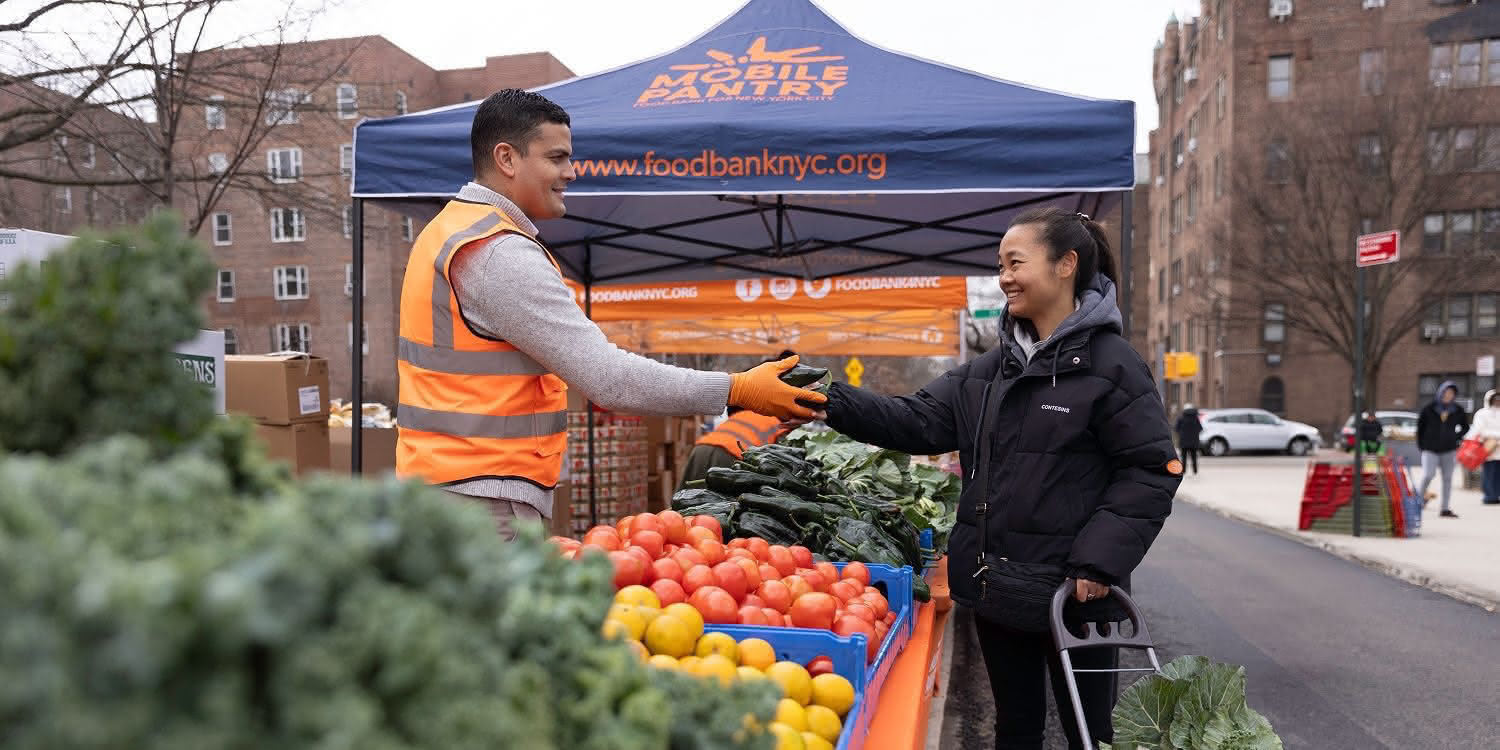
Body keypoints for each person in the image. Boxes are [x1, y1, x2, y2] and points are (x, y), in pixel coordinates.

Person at [800, 207, 1180, 749]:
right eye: (999, 265)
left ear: (1065, 265)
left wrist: (1099, 562)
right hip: (998, 589)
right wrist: (823, 398)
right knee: (1015, 730)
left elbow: (1149, 469)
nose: (1003, 277)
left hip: (1076, 596)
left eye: (1014, 263)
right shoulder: (989, 370)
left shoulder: (1112, 365)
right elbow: (914, 419)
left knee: (1092, 735)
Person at [395, 89, 826, 539]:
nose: (570, 172)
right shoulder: (497, 252)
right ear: (507, 158)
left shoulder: (452, 231)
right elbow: (609, 379)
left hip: (452, 492)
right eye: (556, 158)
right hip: (480, 503)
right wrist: (736, 388)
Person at [677, 350, 799, 490]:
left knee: (684, 506)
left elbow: (734, 403)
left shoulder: (749, 408)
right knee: (722, 507)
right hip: (732, 456)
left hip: (702, 448)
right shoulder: (781, 425)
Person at [1416, 381, 1469, 518]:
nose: (1448, 395)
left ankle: (1445, 508)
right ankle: (1417, 501)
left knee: (1447, 478)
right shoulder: (1429, 408)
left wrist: (1455, 437)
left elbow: (1465, 427)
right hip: (1430, 448)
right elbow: (1420, 428)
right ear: (1440, 392)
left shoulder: (1457, 410)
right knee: (1428, 474)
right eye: (1446, 392)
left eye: (1451, 393)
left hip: (1449, 449)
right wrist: (1421, 445)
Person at [1466, 389, 1500, 505]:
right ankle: (1489, 496)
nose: (1497, 401)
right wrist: (1495, 436)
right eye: (1495, 399)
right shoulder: (1482, 413)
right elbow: (1480, 430)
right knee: (1489, 473)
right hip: (1488, 448)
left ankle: (1497, 495)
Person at [1174, 403, 1203, 475]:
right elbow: (1200, 428)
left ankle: (1183, 471)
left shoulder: (1181, 418)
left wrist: (1181, 433)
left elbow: (1176, 428)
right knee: (1194, 457)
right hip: (1194, 441)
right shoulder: (1195, 418)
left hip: (1183, 441)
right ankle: (1195, 471)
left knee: (1184, 457)